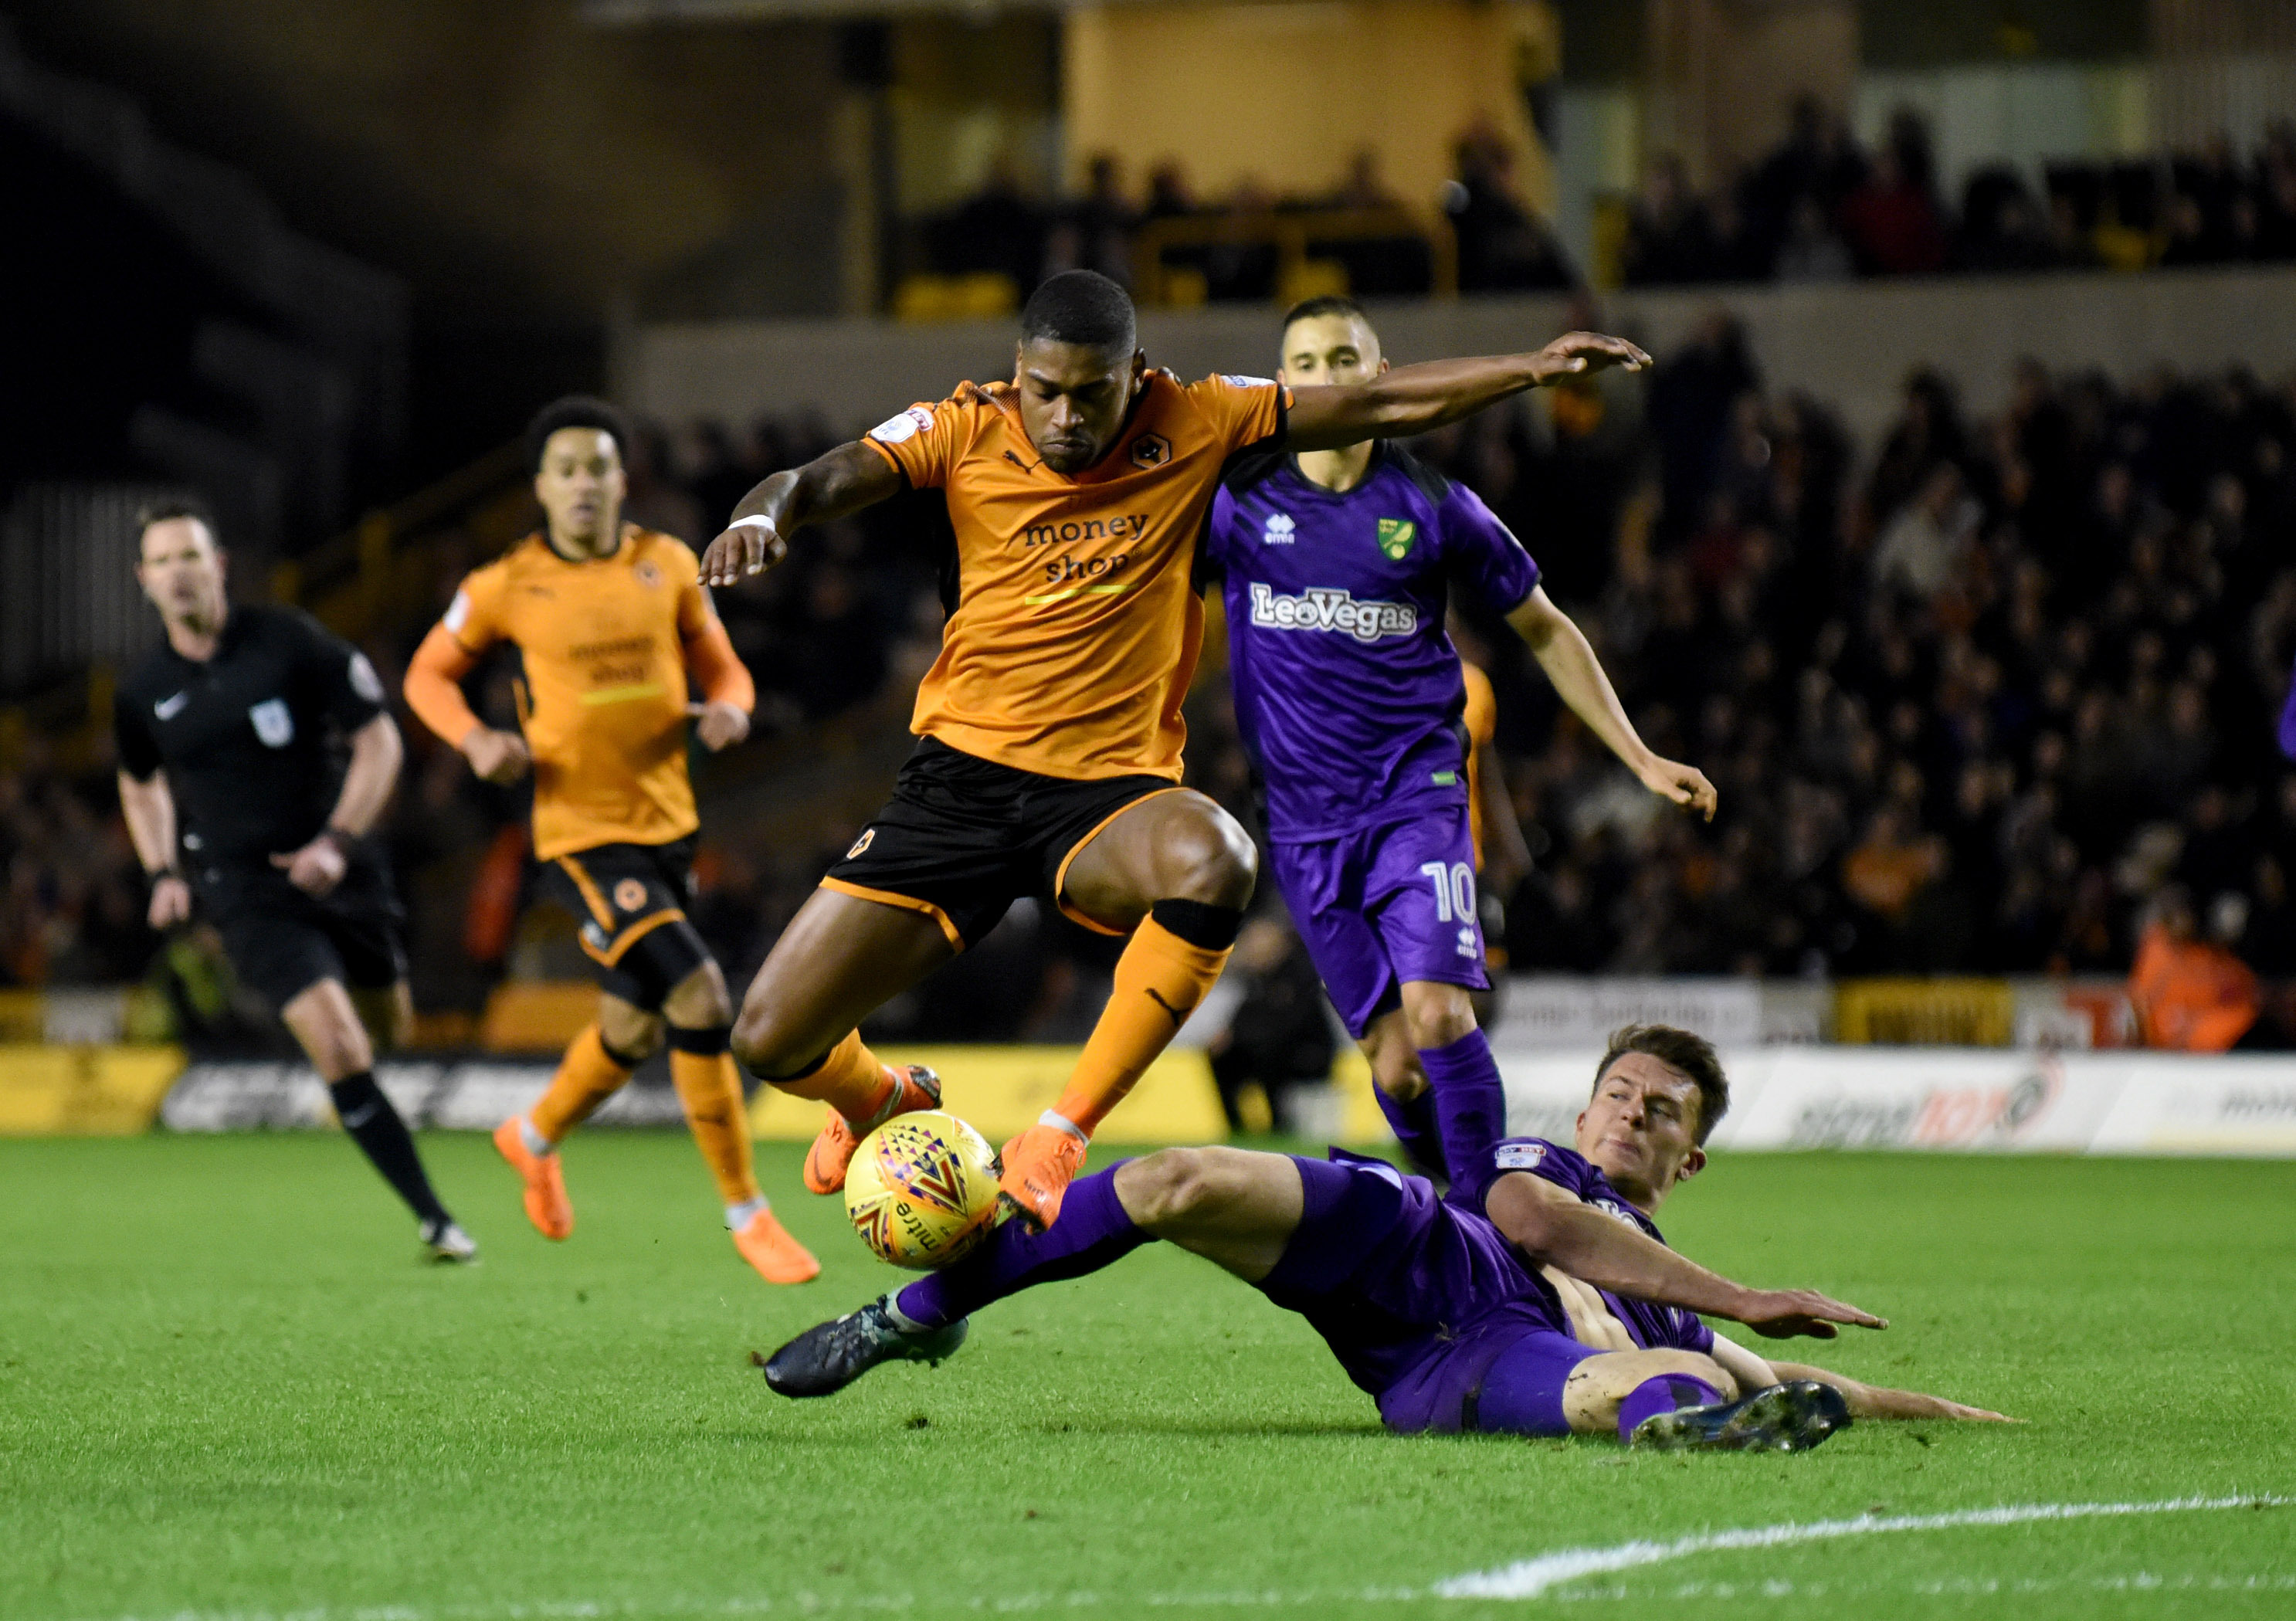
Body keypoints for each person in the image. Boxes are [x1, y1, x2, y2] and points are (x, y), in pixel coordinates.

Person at [700, 270, 1650, 1232]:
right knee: (771, 1036)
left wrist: (1529, 370)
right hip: (957, 784)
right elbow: (819, 478)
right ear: (1018, 373)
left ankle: (1061, 1131)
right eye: (1044, 390)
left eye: (1090, 393)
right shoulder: (962, 424)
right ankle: (883, 1099)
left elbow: (1374, 400)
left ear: (1135, 375)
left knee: (1218, 857)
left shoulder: (1200, 416)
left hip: (1107, 796)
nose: (1064, 416)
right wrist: (757, 516)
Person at [764, 1024, 2010, 1446]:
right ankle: (906, 1315)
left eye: (1660, 1107)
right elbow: (1525, 1221)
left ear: (1688, 1156)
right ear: (1585, 1107)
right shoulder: (1540, 1166)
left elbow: (1803, 1377)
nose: (1630, 1107)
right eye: (1620, 1089)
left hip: (1454, 1360)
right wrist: (1737, 1298)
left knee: (1656, 1379)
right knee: (1175, 1175)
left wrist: (1938, 1410)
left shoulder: (1676, 1302)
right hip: (1424, 1247)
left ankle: (1681, 1431)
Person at [1205, 296, 1714, 1190]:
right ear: (1283, 384)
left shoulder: (1434, 505)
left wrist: (1639, 757)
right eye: (1309, 362)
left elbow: (1547, 628)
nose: (1327, 377)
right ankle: (1458, 1207)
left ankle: (1498, 1233)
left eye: (1345, 359)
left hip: (1416, 800)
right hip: (1301, 826)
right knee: (1396, 1065)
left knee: (1440, 1013)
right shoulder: (1235, 502)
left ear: (1385, 377)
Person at [402, 396, 819, 1285]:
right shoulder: (503, 585)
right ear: (542, 486)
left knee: (629, 1028)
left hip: (668, 829)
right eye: (568, 468)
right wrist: (475, 740)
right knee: (701, 995)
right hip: (579, 839)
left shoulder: (666, 564)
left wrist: (736, 708)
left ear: (622, 478)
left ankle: (533, 1133)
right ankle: (747, 1209)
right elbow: (427, 675)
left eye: (600, 465)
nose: (586, 482)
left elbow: (723, 667)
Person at [115, 501, 474, 1261]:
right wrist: (160, 871)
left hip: (340, 868)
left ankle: (360, 1096)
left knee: (385, 1029)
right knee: (341, 1045)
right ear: (145, 579)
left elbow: (378, 740)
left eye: (191, 556)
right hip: (243, 889)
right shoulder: (142, 689)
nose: (179, 573)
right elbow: (140, 781)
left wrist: (339, 841)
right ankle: (437, 1219)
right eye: (163, 561)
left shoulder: (290, 641)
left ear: (218, 565)